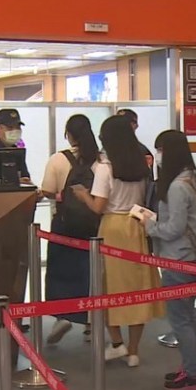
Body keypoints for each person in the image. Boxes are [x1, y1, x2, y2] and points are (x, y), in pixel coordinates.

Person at [72, 115, 164, 367]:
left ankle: (117, 343)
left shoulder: (105, 168)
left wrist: (82, 195)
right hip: (136, 225)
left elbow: (98, 207)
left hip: (112, 228)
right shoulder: (140, 165)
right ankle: (133, 351)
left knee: (107, 287)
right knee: (137, 288)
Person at [142, 130, 196, 390]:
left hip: (176, 259)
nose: (157, 156)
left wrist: (150, 226)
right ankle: (192, 366)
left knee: (181, 319)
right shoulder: (192, 178)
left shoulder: (178, 186)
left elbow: (174, 228)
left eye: (160, 150)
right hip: (190, 256)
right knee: (188, 317)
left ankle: (194, 374)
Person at [40, 114, 99, 344]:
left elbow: (47, 189)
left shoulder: (58, 159)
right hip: (93, 226)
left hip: (64, 226)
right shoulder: (101, 160)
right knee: (91, 272)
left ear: (69, 135)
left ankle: (62, 316)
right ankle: (91, 322)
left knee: (60, 271)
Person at [0, 108, 31, 183]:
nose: (15, 131)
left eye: (18, 127)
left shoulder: (18, 152)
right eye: (10, 127)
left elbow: (25, 176)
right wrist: (14, 182)